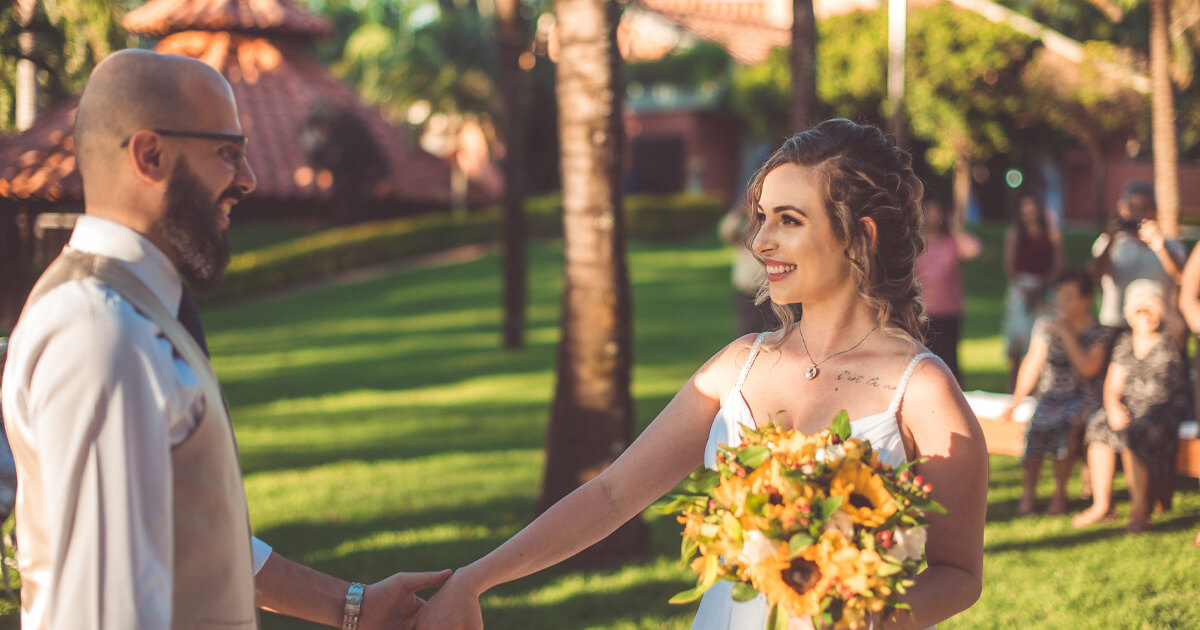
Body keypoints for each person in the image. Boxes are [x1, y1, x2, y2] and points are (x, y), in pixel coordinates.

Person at [413, 120, 988, 629]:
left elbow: (959, 572)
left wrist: (868, 615)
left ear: (861, 236)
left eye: (788, 220)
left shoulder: (920, 389)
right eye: (761, 218)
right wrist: (475, 579)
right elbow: (613, 495)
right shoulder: (739, 366)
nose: (761, 241)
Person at [0, 49, 448, 629]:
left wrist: (351, 608)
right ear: (151, 154)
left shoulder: (133, 314)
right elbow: (104, 611)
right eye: (227, 153)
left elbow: (188, 523)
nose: (249, 179)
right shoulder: (103, 332)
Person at [1073, 280, 1189, 534]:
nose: (1145, 315)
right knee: (1100, 425)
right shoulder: (1124, 342)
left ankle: (1139, 510)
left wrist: (1154, 301)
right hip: (1130, 405)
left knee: (1135, 432)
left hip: (1164, 406)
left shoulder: (1173, 337)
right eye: (1139, 310)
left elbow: (1178, 322)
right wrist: (1113, 406)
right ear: (1129, 314)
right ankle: (1102, 505)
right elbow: (1113, 385)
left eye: (1150, 310)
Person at [1001, 269, 1113, 516]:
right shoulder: (1045, 325)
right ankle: (1028, 493)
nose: (1061, 301)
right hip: (1051, 394)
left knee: (1066, 425)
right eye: (1059, 295)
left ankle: (1060, 493)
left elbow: (1087, 368)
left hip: (1083, 396)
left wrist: (1068, 335)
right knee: (1036, 427)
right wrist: (1016, 400)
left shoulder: (1100, 332)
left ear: (1085, 299)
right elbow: (1033, 362)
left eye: (1069, 296)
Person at [1090, 182, 1185, 331]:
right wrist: (1110, 241)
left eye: (1144, 208)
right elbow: (1094, 275)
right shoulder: (1107, 241)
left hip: (1157, 325)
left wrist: (1161, 247)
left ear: (1154, 210)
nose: (1137, 214)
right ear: (1122, 208)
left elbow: (1181, 277)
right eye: (1132, 208)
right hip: (1115, 325)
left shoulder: (1170, 245)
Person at [914, 196, 981, 384]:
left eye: (938, 211)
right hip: (924, 311)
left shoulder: (952, 242)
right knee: (925, 358)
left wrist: (954, 227)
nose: (935, 216)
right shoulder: (919, 242)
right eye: (931, 211)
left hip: (950, 309)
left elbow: (973, 249)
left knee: (949, 358)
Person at [1002, 191, 1062, 391]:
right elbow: (1010, 267)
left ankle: (1039, 390)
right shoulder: (1014, 234)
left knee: (1040, 343)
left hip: (1044, 291)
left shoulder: (1052, 234)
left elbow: (1057, 266)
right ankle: (1013, 389)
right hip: (1020, 289)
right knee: (1016, 345)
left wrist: (1042, 287)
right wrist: (1023, 289)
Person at [720, 204, 778, 335]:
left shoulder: (773, 226)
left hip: (770, 291)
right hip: (747, 290)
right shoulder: (743, 226)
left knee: (775, 332)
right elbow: (725, 232)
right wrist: (738, 210)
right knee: (746, 332)